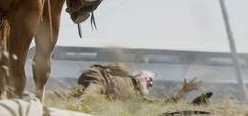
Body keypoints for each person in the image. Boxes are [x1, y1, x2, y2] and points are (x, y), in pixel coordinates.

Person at [50, 63, 207, 103]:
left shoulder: (136, 96)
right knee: (92, 92)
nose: (150, 82)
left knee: (69, 94)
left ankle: (38, 96)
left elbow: (160, 103)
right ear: (139, 73)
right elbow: (102, 68)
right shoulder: (125, 70)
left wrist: (183, 91)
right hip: (99, 79)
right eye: (148, 77)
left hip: (94, 87)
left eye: (151, 82)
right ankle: (80, 105)